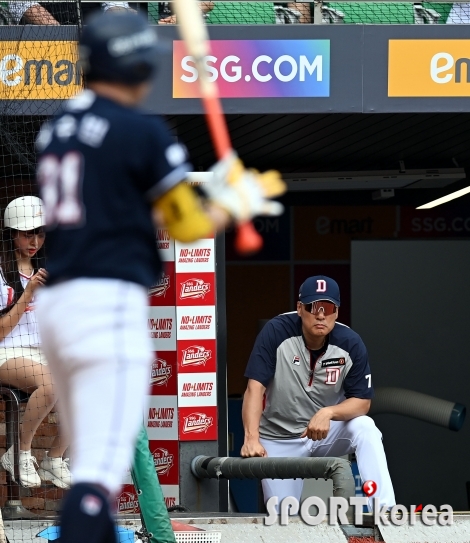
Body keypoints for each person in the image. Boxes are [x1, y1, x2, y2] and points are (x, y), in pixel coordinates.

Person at [34, 11, 285, 543]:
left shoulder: (57, 126)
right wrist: (233, 200)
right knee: (100, 470)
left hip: (60, 306)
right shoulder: (139, 129)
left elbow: (124, 203)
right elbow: (187, 223)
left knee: (95, 460)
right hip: (107, 303)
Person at [241, 275, 395, 512]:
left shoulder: (350, 343)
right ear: (300, 308)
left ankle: (385, 511)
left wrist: (329, 412)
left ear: (337, 312)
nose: (321, 315)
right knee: (283, 518)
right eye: (314, 307)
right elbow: (254, 388)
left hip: (325, 433)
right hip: (279, 436)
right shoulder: (276, 331)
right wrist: (251, 438)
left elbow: (362, 402)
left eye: (328, 308)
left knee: (365, 427)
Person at [0, 196, 71, 489]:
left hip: (43, 353)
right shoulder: (2, 273)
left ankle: (54, 459)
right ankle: (19, 452)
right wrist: (27, 294)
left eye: (40, 233)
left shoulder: (50, 272)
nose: (35, 240)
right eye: (29, 233)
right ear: (11, 233)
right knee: (52, 382)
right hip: (6, 352)